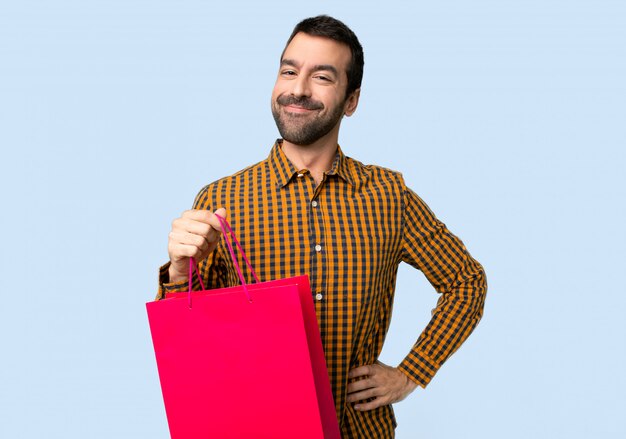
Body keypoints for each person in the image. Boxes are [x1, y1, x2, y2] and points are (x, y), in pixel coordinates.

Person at [158, 15, 487, 438]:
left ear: (351, 100)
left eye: (322, 77)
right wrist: (180, 275)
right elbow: (192, 345)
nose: (298, 89)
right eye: (289, 71)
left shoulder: (389, 195)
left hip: (360, 430)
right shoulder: (222, 200)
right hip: (256, 428)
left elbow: (467, 281)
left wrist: (410, 373)